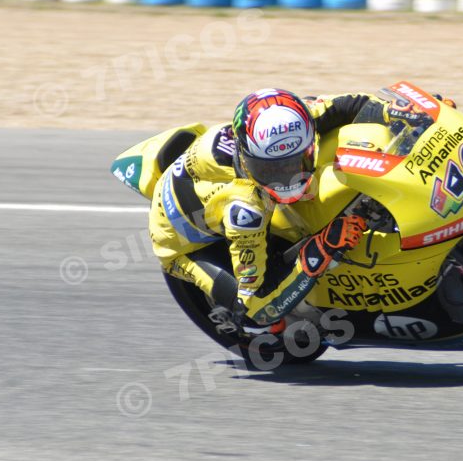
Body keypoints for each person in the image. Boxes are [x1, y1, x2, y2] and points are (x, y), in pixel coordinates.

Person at [148, 88, 375, 333]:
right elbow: (253, 303)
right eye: (270, 169)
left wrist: (398, 113)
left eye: (294, 163)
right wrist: (323, 247)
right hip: (184, 245)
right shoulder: (245, 210)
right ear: (246, 158)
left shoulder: (294, 121)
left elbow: (355, 104)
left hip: (203, 181)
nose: (285, 178)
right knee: (258, 315)